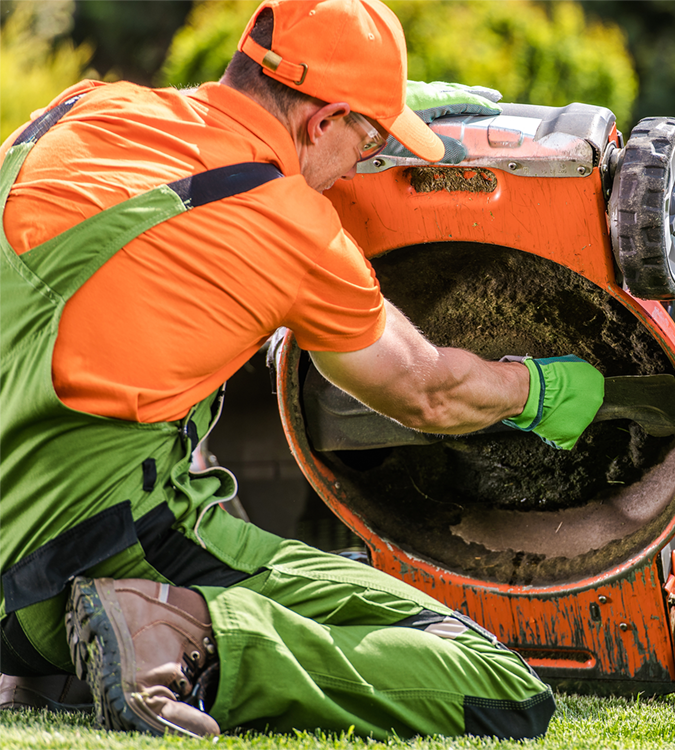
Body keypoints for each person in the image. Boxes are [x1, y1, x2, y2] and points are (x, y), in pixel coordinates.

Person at [0, 0, 606, 740]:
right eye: (370, 138)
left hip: (11, 585)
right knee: (498, 685)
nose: (366, 161)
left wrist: (377, 109)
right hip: (93, 549)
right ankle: (179, 636)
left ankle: (47, 663)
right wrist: (540, 389)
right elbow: (432, 393)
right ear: (323, 121)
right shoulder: (291, 225)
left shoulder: (81, 109)